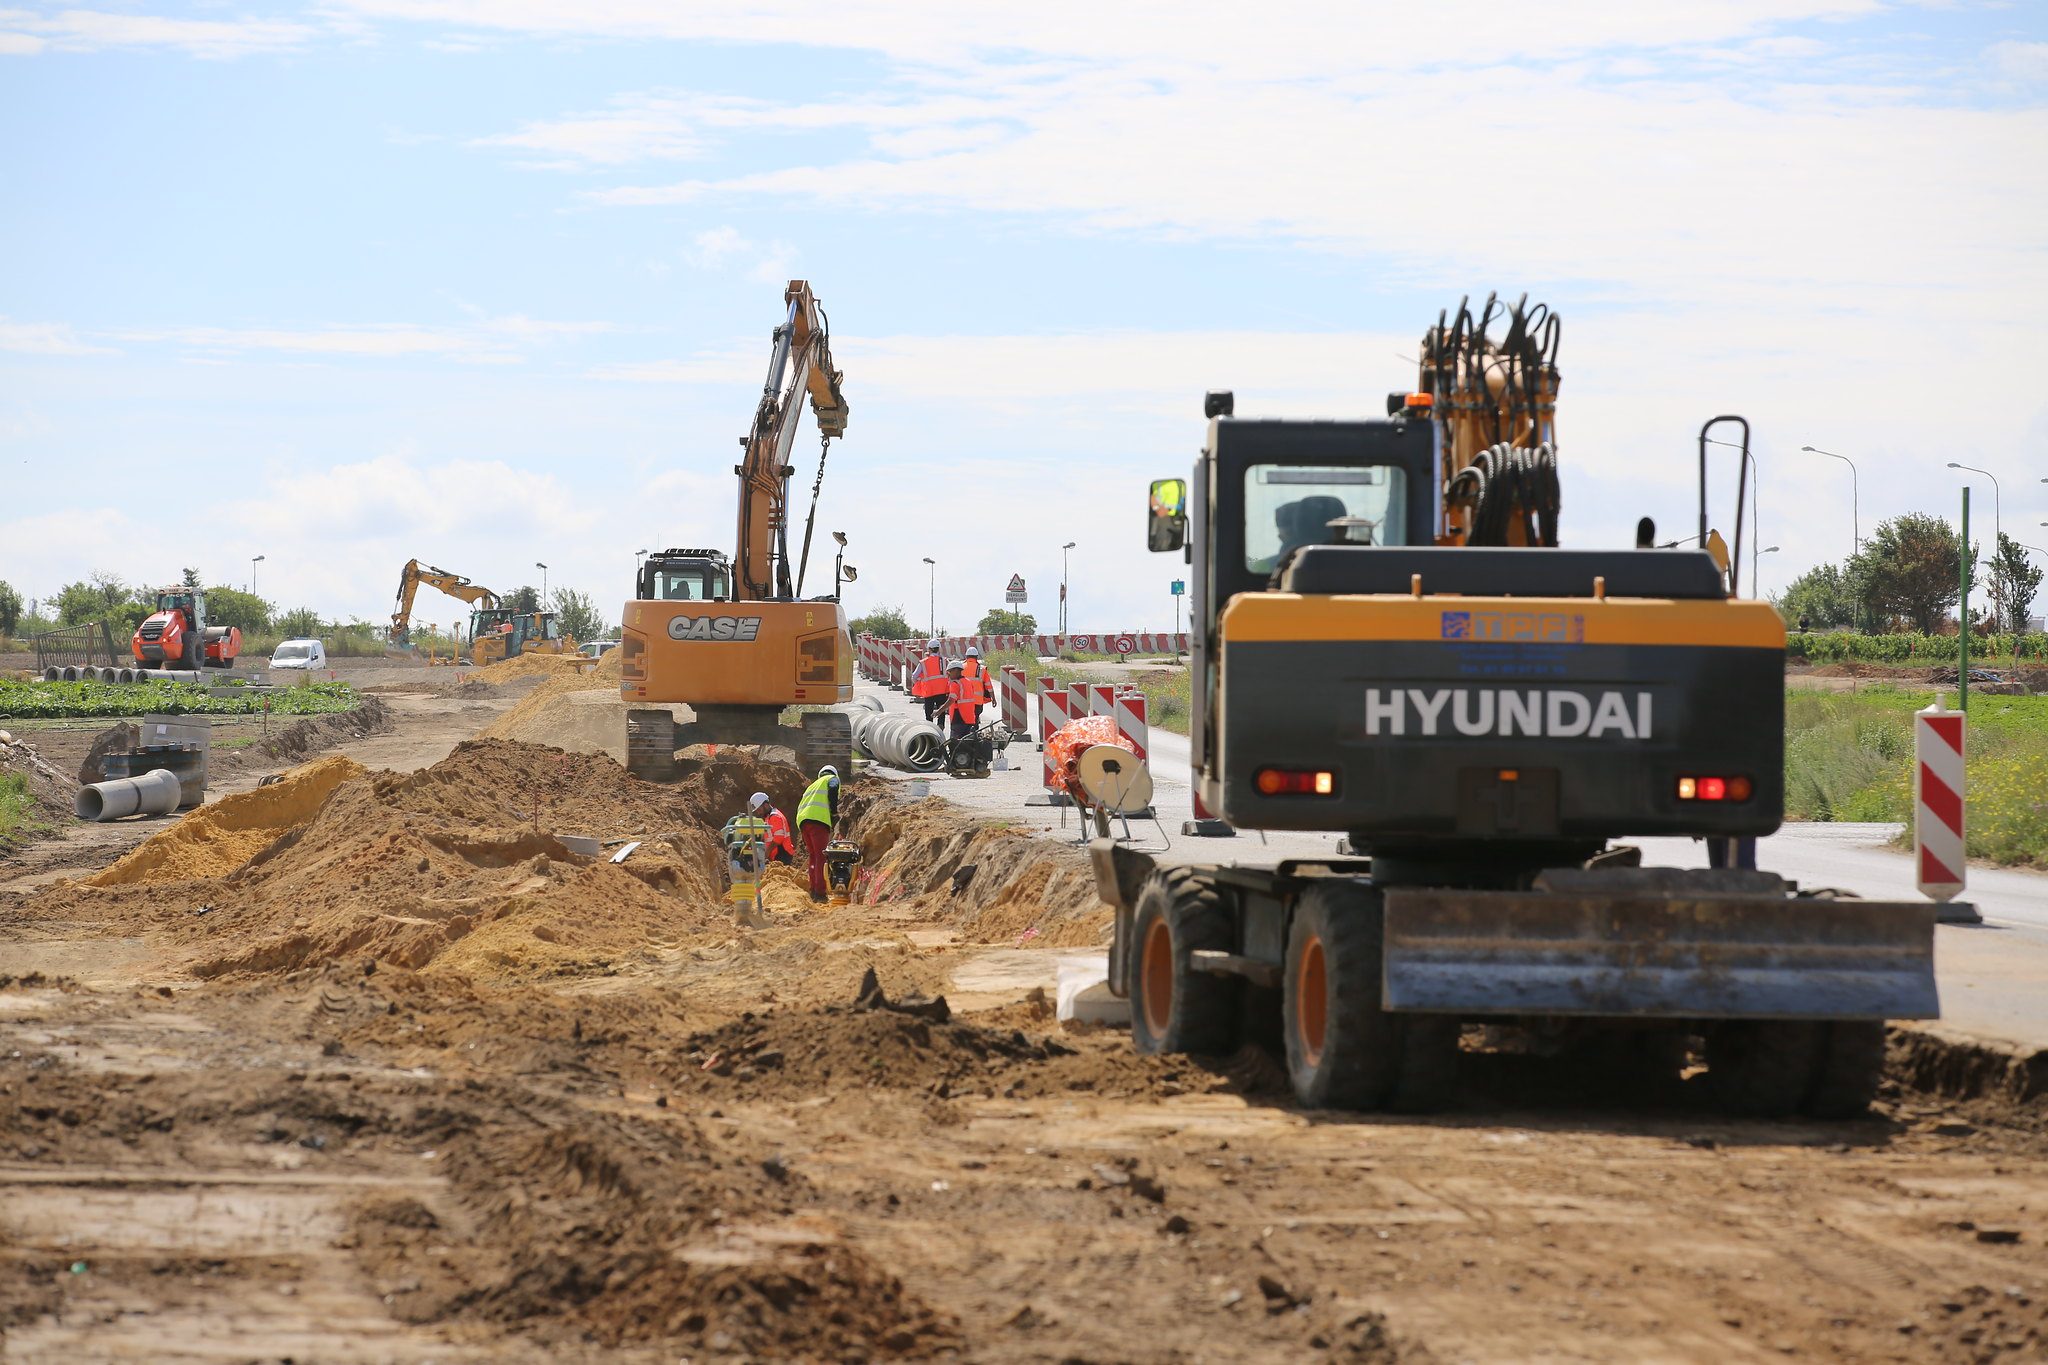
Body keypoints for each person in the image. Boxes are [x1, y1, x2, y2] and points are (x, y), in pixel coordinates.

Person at [796, 764, 841, 902]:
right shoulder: (831, 779)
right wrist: (834, 813)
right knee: (821, 857)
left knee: (814, 857)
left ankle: (814, 890)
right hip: (818, 821)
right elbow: (833, 788)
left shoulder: (812, 786)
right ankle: (820, 893)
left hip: (804, 823)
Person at [750, 790, 796, 865]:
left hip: (782, 854)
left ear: (765, 805)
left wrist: (766, 854)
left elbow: (778, 838)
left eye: (759, 809)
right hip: (777, 855)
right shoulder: (768, 818)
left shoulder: (775, 816)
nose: (758, 812)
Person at [910, 638, 948, 722]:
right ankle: (940, 728)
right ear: (939, 649)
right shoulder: (945, 661)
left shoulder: (923, 662)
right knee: (941, 713)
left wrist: (920, 685)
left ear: (929, 649)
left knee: (929, 715)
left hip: (928, 692)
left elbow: (914, 677)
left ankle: (930, 730)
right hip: (942, 692)